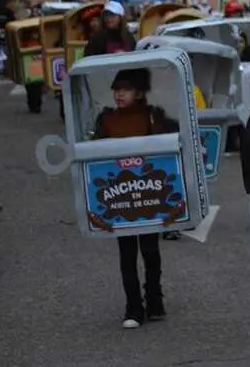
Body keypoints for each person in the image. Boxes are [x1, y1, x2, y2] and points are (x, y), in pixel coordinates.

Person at [93, 68, 179, 329]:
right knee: (127, 253)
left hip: (149, 195)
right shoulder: (106, 120)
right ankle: (133, 307)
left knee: (151, 250)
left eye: (126, 89)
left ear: (139, 92)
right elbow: (95, 156)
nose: (119, 94)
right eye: (116, 89)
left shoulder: (154, 116)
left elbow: (170, 146)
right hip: (119, 199)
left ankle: (154, 299)